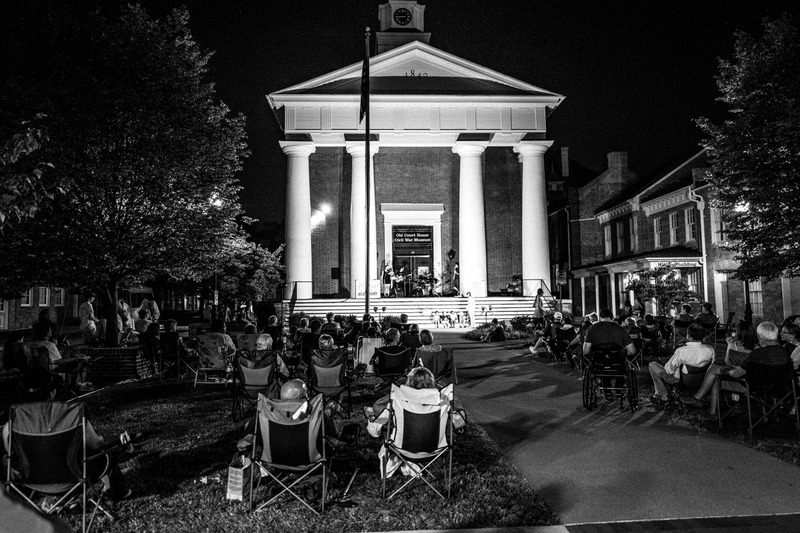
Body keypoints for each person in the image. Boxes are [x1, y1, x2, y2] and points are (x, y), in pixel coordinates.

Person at [2, 367, 131, 501]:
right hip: (74, 480)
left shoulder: (11, 425)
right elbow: (96, 444)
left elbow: (9, 456)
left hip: (33, 483)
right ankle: (121, 492)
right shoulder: (73, 416)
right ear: (52, 392)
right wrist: (100, 439)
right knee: (103, 454)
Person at [683, 321, 790, 412]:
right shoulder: (783, 351)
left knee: (715, 373)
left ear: (761, 336)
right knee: (716, 370)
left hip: (754, 387)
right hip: (779, 387)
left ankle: (707, 408)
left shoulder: (759, 354)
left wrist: (722, 370)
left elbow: (736, 374)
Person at [648, 323, 715, 405]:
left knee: (653, 365)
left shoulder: (681, 351)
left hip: (681, 382)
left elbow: (669, 370)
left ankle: (663, 396)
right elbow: (712, 366)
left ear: (689, 336)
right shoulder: (710, 350)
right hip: (701, 381)